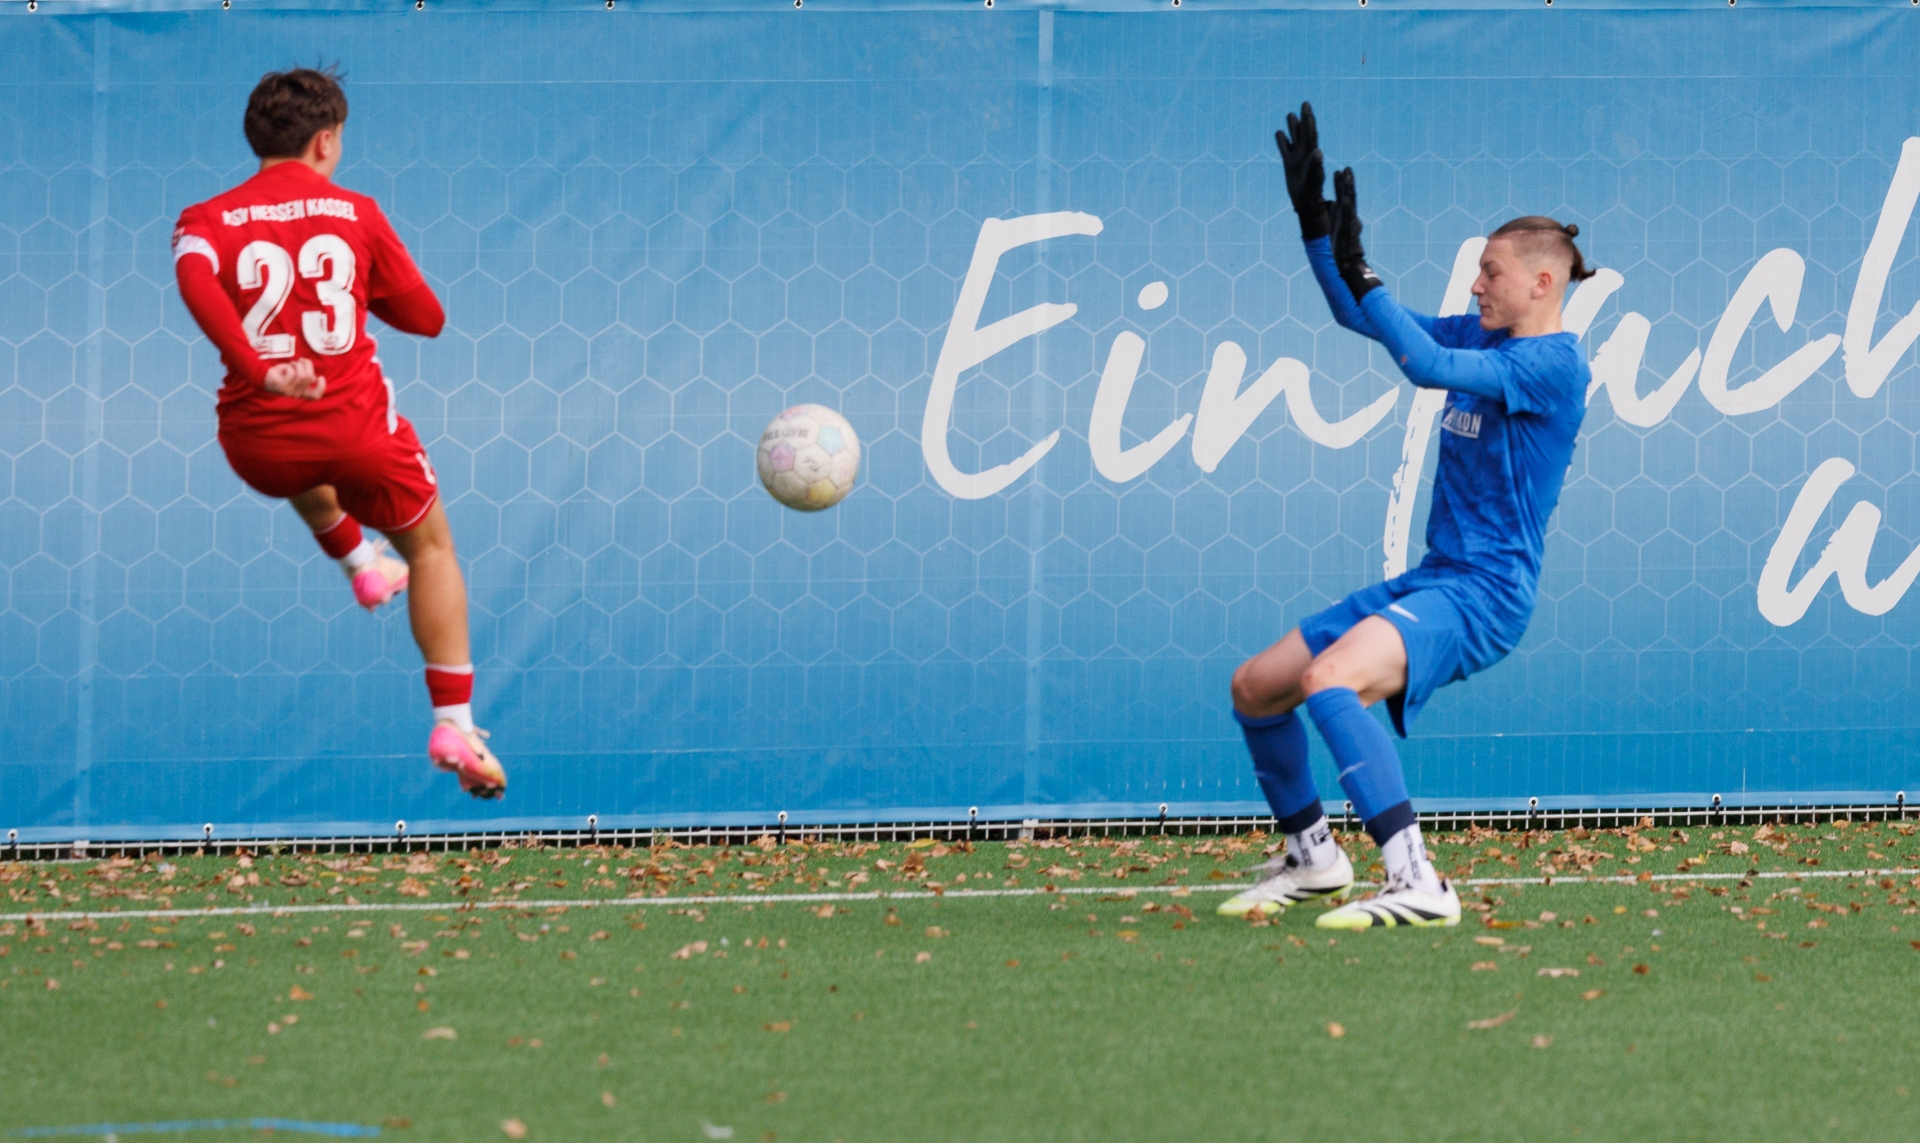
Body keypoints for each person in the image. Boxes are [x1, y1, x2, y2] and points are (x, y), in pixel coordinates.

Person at [1218, 103, 1595, 928]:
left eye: (1491, 271)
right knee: (1258, 686)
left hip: (1485, 595)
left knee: (1328, 680)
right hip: (1435, 578)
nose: (1476, 284)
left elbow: (1421, 363)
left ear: (1543, 282)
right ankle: (1315, 859)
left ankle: (1417, 877)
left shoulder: (1554, 364)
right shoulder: (1486, 338)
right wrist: (1318, 233)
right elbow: (1359, 316)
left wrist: (1365, 267)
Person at [171, 67, 506, 799]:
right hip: (358, 435)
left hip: (257, 443)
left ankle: (359, 563)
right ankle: (454, 723)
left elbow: (194, 278)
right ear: (326, 141)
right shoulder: (355, 212)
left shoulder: (203, 219)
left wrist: (260, 368)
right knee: (432, 549)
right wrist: (360, 288)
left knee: (301, 457)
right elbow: (428, 320)